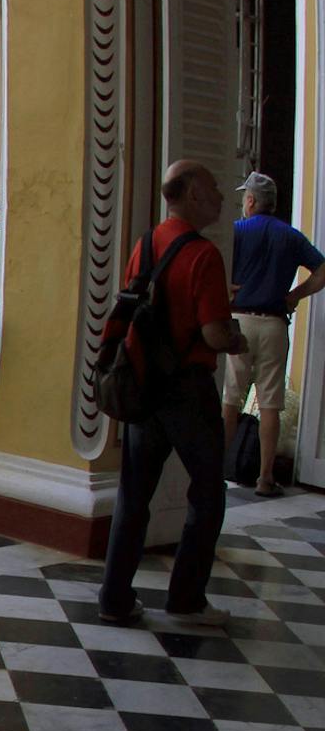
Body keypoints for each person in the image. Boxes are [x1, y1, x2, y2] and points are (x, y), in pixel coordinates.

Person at [98, 159, 247, 628]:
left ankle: (115, 598)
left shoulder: (146, 243)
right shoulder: (204, 255)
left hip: (145, 384)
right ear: (193, 195)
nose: (222, 196)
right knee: (207, 492)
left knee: (133, 494)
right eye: (215, 188)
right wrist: (236, 338)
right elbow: (214, 334)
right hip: (186, 389)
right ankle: (186, 600)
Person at [222, 171, 325, 497]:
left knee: (230, 400)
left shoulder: (235, 232)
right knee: (269, 403)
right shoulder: (291, 237)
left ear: (250, 201)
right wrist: (295, 295)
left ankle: (218, 470)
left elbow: (214, 262)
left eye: (244, 198)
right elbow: (322, 270)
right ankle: (265, 478)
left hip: (239, 321)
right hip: (274, 325)